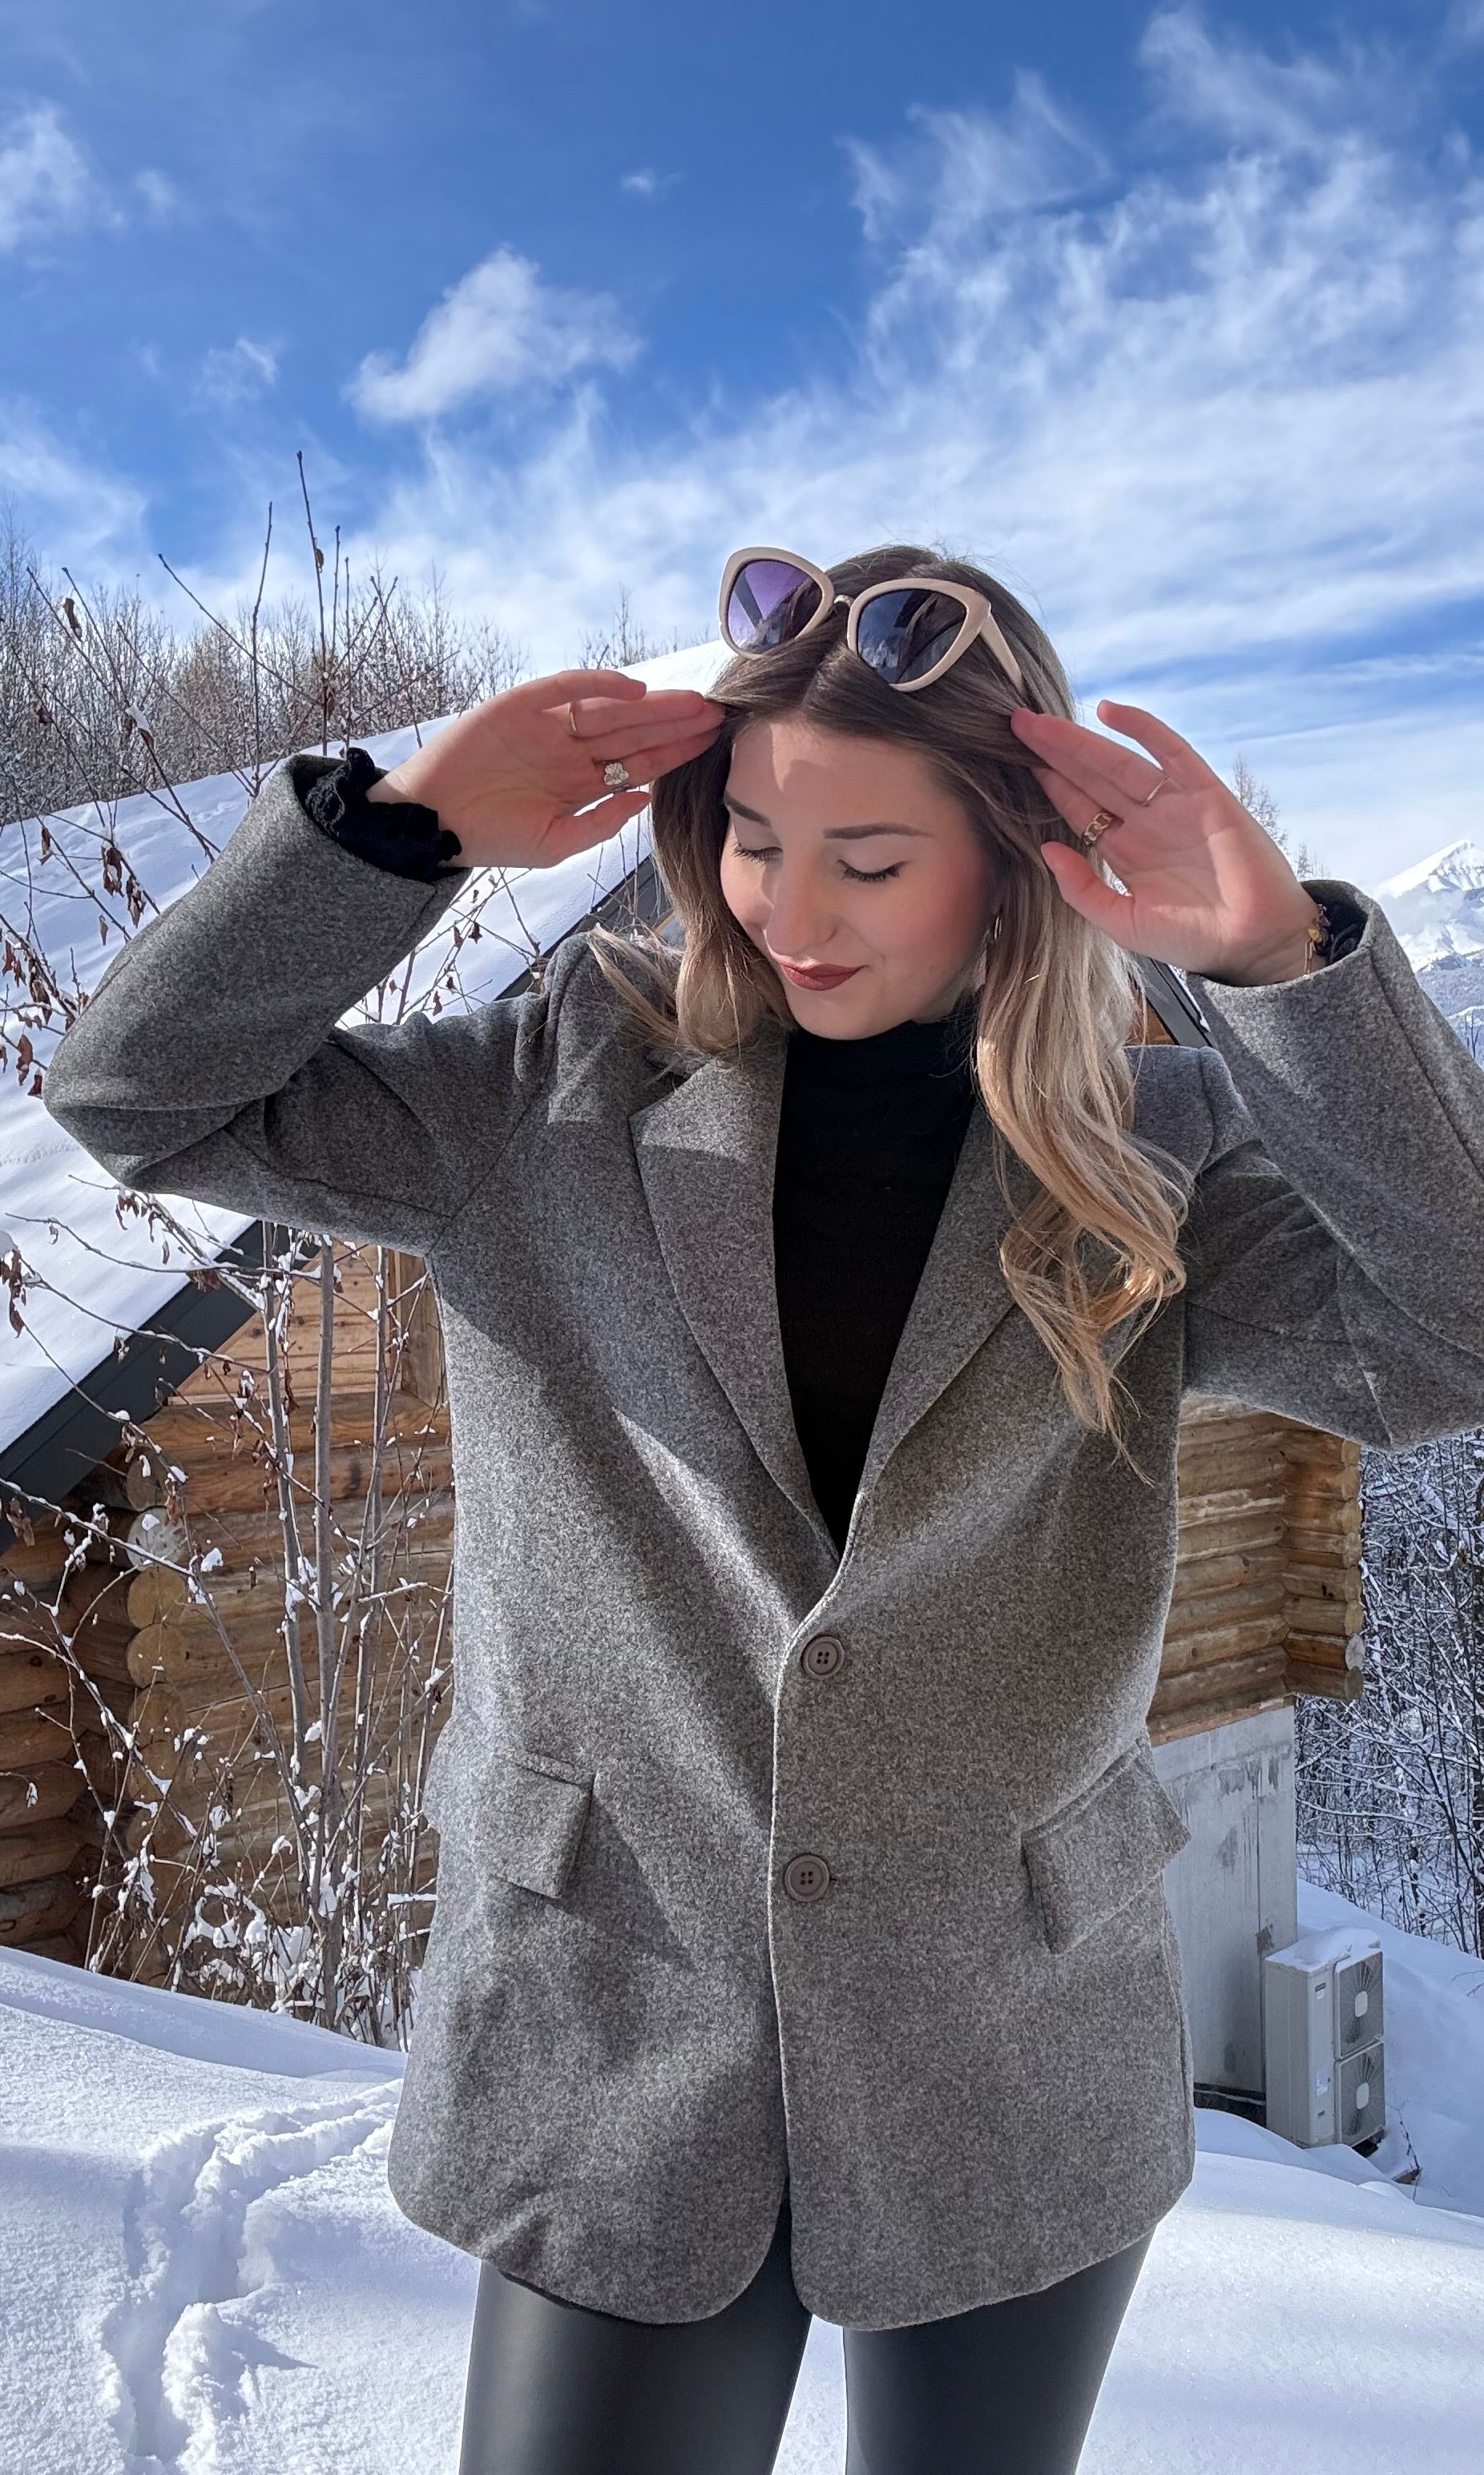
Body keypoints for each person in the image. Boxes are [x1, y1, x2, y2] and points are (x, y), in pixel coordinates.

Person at [42, 545, 1484, 2475]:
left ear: (1011, 858)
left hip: (1011, 2035)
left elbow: (1458, 1333)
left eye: (866, 861)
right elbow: (134, 1095)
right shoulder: (545, 1092)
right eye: (748, 840)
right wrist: (395, 833)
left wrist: (1276, 965)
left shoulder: (1145, 1162)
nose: (790, 913)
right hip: (614, 2026)